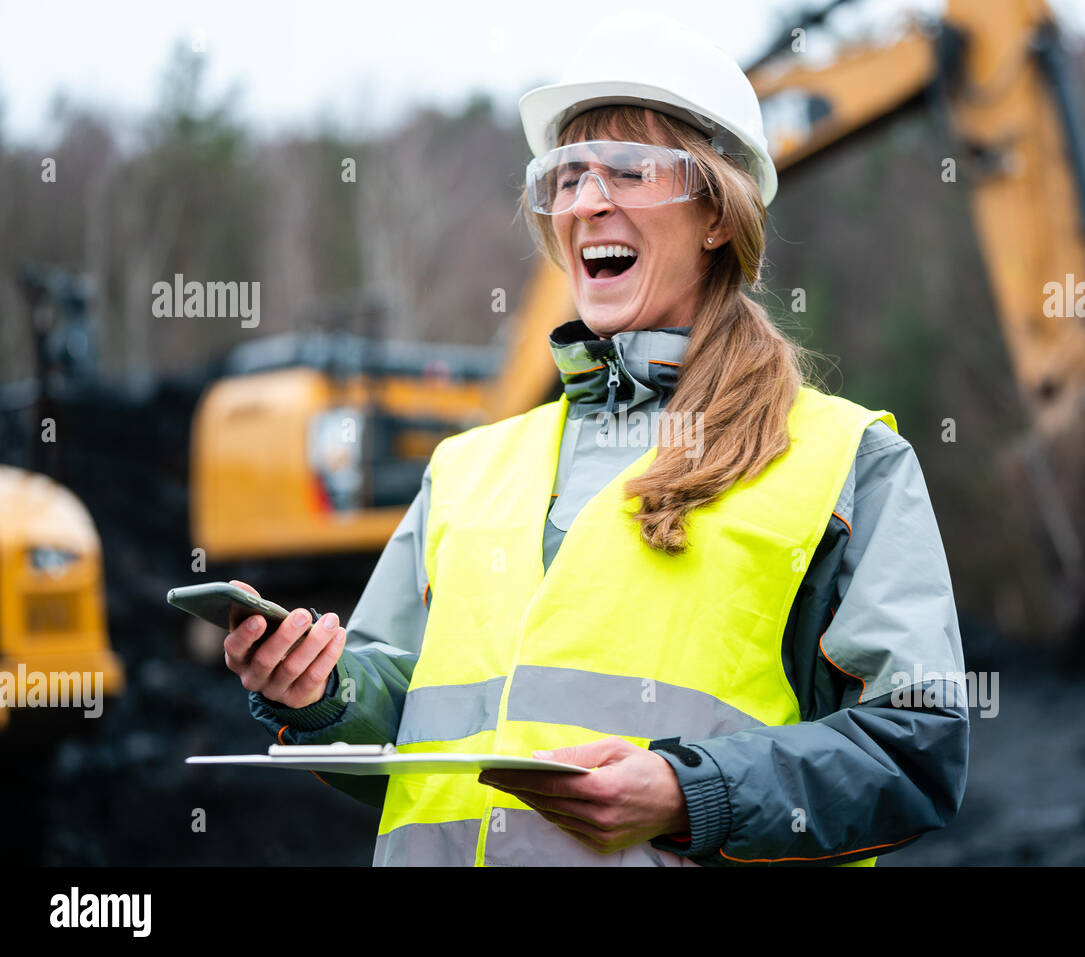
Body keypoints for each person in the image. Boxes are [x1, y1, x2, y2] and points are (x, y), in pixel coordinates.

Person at [225, 13, 969, 867]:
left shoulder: (845, 464)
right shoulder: (467, 470)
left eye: (628, 170)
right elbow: (418, 739)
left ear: (718, 213)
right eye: (567, 175)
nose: (586, 200)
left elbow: (916, 751)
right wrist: (324, 694)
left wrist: (688, 794)